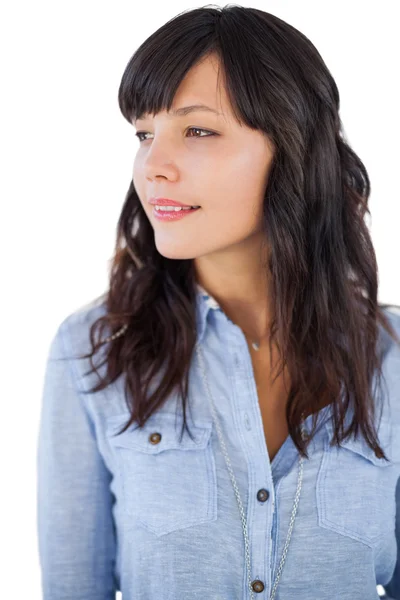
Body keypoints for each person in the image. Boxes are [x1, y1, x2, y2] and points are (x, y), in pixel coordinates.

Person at [36, 5, 400, 599]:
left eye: (197, 130)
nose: (153, 166)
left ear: (293, 145)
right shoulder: (93, 353)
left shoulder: (391, 358)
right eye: (144, 134)